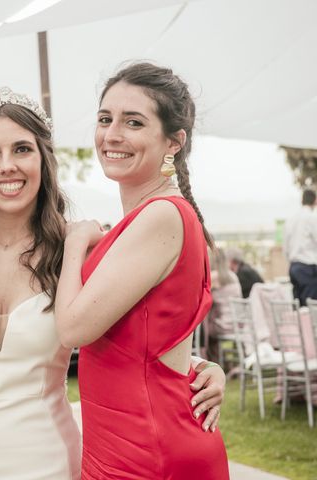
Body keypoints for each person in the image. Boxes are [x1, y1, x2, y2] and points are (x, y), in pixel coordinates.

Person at [0, 87, 226, 480]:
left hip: (46, 461)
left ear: (44, 161)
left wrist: (200, 368)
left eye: (22, 149)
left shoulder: (80, 252)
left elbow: (134, 337)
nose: (7, 165)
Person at [55, 63, 229, 479]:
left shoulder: (162, 216)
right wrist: (201, 366)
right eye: (104, 119)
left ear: (173, 141)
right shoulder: (147, 221)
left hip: (146, 451)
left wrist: (74, 244)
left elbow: (74, 330)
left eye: (133, 122)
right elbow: (148, 337)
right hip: (124, 441)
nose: (112, 134)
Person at [207, 247, 242, 362]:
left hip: (223, 326)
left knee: (204, 330)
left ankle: (212, 360)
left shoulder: (213, 277)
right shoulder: (233, 276)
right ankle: (223, 361)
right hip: (238, 324)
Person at [284, 188, 317, 306]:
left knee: (298, 306)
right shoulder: (312, 217)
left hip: (294, 266)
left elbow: (286, 247)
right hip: (307, 267)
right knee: (310, 307)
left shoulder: (290, 219)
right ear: (315, 201)